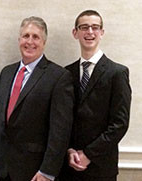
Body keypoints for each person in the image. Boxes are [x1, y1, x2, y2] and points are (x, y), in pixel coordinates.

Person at [0, 16, 74, 181]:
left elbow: (60, 131)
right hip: (4, 169)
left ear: (44, 42)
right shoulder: (6, 73)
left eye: (36, 37)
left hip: (36, 171)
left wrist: (48, 171)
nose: (30, 41)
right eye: (26, 36)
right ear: (19, 39)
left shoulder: (59, 77)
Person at [58, 10, 132, 181]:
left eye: (95, 27)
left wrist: (88, 154)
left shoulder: (117, 73)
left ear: (102, 33)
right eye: (84, 27)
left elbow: (120, 124)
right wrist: (69, 150)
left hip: (101, 167)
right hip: (69, 166)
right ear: (75, 33)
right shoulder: (66, 73)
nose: (90, 32)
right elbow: (62, 119)